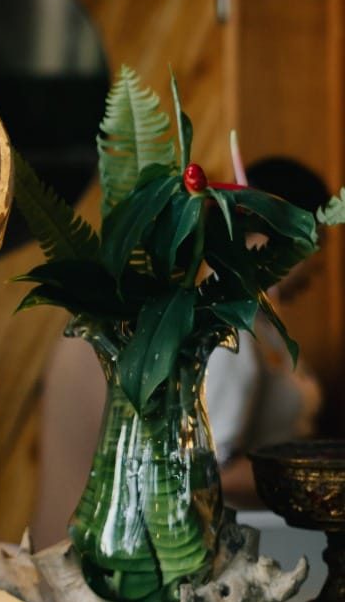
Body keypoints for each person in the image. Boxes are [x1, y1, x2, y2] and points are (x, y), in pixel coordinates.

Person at [32, 157, 328, 548]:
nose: (321, 265)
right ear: (275, 237)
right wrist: (315, 483)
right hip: (229, 545)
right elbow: (203, 470)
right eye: (317, 242)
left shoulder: (255, 324)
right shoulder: (218, 329)